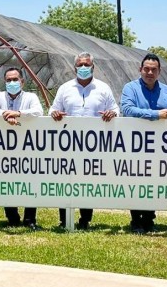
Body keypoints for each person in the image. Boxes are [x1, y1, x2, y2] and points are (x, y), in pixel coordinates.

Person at [49, 52, 119, 230]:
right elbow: (53, 109)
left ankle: (85, 219)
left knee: (87, 182)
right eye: (80, 65)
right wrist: (55, 114)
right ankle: (65, 219)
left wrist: (113, 114)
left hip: (93, 147)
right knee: (65, 182)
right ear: (74, 68)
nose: (83, 68)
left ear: (93, 67)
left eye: (86, 65)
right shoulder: (65, 88)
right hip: (67, 146)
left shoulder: (103, 88)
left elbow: (115, 109)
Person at [120, 53, 167, 233]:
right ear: (140, 70)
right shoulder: (130, 88)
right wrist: (155, 115)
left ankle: (148, 219)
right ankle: (136, 220)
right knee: (135, 182)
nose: (149, 72)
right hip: (135, 147)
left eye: (153, 69)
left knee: (154, 183)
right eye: (146, 69)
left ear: (159, 71)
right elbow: (127, 109)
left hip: (161, 149)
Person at [0, 66, 44, 229]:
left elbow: (38, 111)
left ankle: (29, 219)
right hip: (4, 147)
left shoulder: (30, 96)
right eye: (8, 80)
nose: (12, 82)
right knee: (7, 181)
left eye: (15, 79)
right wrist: (6, 114)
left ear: (22, 81)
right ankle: (12, 217)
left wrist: (18, 113)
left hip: (28, 147)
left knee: (30, 180)